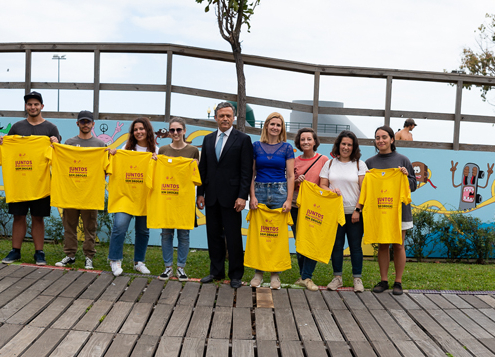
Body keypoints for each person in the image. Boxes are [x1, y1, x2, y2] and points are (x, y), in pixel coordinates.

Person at [197, 102, 253, 289]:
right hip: (211, 196)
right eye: (221, 116)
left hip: (232, 198)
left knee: (233, 236)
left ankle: (236, 274)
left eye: (228, 116)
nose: (225, 119)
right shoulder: (207, 139)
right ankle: (216, 271)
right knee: (213, 235)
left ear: (234, 118)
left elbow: (246, 171)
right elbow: (202, 168)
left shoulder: (243, 139)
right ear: (216, 118)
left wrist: (242, 196)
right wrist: (200, 194)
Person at [1, 91, 60, 265]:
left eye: (36, 104)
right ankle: (15, 251)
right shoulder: (17, 127)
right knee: (18, 216)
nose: (32, 107)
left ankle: (39, 253)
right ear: (25, 107)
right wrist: (3, 144)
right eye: (29, 104)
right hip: (19, 182)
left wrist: (56, 144)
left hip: (41, 183)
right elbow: (7, 153)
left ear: (42, 106)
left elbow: (57, 156)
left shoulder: (51, 128)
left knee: (38, 217)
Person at [366, 125, 416, 295]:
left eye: (384, 137)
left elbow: (413, 185)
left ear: (392, 139)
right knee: (382, 245)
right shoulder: (370, 163)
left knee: (399, 245)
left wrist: (404, 176)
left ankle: (398, 282)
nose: (381, 140)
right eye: (377, 137)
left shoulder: (403, 160)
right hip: (380, 211)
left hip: (400, 210)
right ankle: (384, 280)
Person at [107, 117, 158, 276]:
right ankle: (115, 260)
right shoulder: (126, 148)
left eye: (141, 129)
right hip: (126, 196)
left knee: (143, 231)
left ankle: (139, 262)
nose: (138, 132)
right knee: (119, 227)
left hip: (145, 197)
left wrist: (157, 161)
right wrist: (114, 154)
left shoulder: (155, 150)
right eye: (136, 129)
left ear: (147, 130)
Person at [249, 112, 294, 290]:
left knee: (276, 235)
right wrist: (251, 196)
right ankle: (258, 273)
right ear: (266, 126)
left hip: (280, 191)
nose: (275, 127)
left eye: (279, 125)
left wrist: (289, 199)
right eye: (272, 124)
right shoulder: (256, 146)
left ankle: (275, 274)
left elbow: (290, 176)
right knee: (259, 234)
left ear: (282, 128)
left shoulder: (287, 148)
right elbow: (251, 173)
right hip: (259, 190)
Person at [55, 110, 105, 270]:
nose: (85, 124)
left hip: (90, 193)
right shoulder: (69, 143)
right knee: (69, 226)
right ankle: (70, 255)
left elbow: (103, 168)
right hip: (71, 192)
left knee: (90, 227)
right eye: (82, 121)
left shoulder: (100, 145)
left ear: (93, 124)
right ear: (77, 123)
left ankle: (88, 257)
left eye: (88, 122)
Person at [319, 130, 368, 293]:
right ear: (338, 145)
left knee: (355, 246)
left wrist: (357, 210)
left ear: (353, 147)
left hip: (354, 213)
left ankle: (357, 279)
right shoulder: (330, 164)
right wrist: (330, 191)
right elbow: (322, 185)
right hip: (335, 213)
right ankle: (337, 278)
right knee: (336, 246)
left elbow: (364, 189)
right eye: (343, 144)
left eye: (349, 144)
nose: (346, 147)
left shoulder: (360, 165)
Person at [157, 117, 199, 282]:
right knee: (166, 234)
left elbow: (197, 176)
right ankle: (168, 267)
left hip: (184, 199)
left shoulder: (193, 151)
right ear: (169, 132)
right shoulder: (162, 150)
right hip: (167, 198)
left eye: (178, 130)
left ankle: (181, 268)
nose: (175, 133)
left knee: (184, 234)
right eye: (172, 130)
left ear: (184, 131)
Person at [290, 128, 329, 291]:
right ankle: (303, 276)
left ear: (315, 142)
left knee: (312, 241)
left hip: (314, 206)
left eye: (309, 139)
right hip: (296, 205)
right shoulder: (294, 161)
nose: (305, 142)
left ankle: (307, 277)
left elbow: (325, 184)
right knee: (300, 241)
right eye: (303, 139)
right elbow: (288, 183)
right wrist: (296, 182)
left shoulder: (323, 160)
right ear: (299, 142)